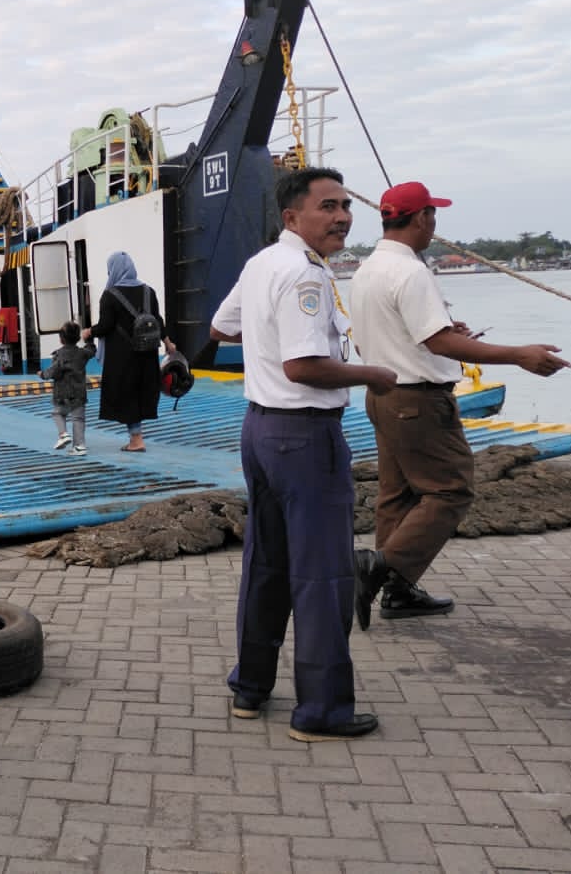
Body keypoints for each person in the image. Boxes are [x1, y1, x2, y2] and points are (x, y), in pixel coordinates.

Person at [210, 166, 398, 742]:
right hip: (305, 436)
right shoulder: (304, 275)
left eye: (345, 206)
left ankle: (251, 687)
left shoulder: (263, 263)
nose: (342, 217)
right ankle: (321, 711)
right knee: (322, 575)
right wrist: (374, 374)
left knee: (266, 564)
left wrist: (268, 342)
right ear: (292, 216)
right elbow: (305, 367)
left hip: (261, 431)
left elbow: (221, 326)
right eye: (328, 207)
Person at [349, 182, 571, 623]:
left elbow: (377, 340)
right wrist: (518, 354)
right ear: (421, 217)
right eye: (432, 215)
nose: (434, 224)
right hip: (418, 401)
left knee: (397, 495)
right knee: (450, 490)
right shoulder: (410, 271)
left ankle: (397, 590)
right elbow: (438, 342)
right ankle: (380, 567)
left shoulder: (366, 271)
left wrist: (448, 334)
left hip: (384, 396)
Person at [81, 251, 176, 451]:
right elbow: (157, 320)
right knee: (141, 391)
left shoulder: (110, 295)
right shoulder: (148, 291)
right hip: (148, 353)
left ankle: (136, 440)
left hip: (122, 356)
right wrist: (167, 342)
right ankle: (136, 437)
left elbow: (106, 326)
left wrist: (89, 332)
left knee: (126, 394)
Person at [39, 321, 96, 455]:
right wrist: (89, 340)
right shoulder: (82, 353)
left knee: (58, 413)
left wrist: (42, 374)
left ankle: (63, 434)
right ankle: (79, 446)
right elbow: (92, 351)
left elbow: (54, 372)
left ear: (61, 339)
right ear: (78, 338)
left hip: (62, 394)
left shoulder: (58, 355)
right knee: (78, 419)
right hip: (79, 394)